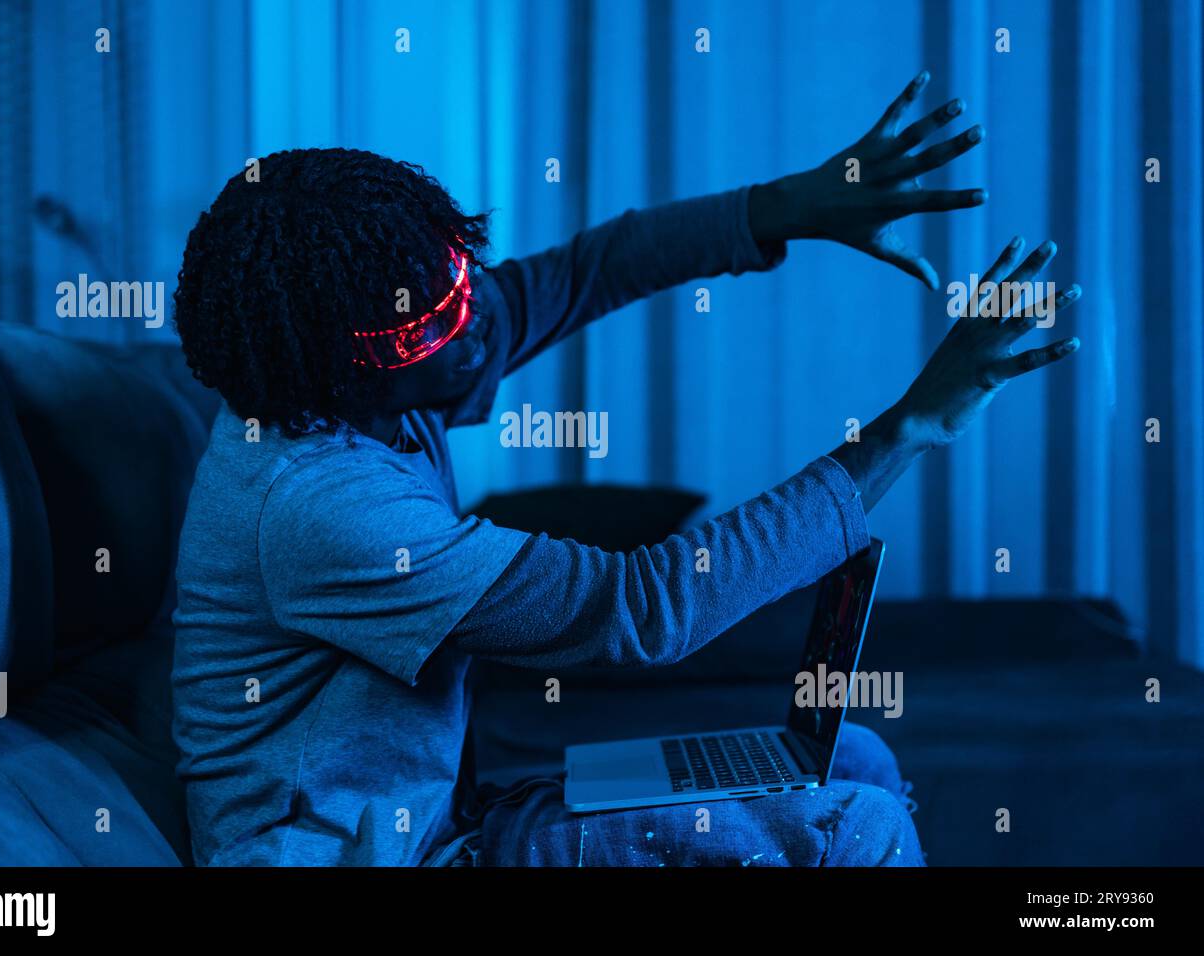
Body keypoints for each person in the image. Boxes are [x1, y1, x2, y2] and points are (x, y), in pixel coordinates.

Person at [169, 72, 1081, 866]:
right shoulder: (318, 502)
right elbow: (634, 611)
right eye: (435, 320)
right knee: (854, 825)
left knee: (855, 763)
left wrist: (792, 204)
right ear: (344, 364)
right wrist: (909, 428)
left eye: (458, 270)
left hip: (441, 818)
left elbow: (585, 270)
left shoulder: (371, 379)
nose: (476, 314)